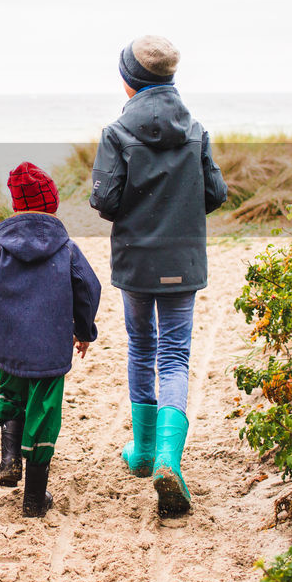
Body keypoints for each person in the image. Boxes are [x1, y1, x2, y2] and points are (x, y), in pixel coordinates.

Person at [89, 36, 228, 517]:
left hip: (136, 258)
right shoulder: (195, 130)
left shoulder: (116, 132)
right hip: (183, 259)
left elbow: (104, 202)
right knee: (174, 353)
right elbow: (215, 193)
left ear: (130, 79)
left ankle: (145, 452)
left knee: (142, 346)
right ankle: (169, 459)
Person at [0, 162, 101, 518]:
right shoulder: (67, 248)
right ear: (52, 204)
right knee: (44, 413)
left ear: (15, 205)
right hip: (51, 349)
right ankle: (34, 499)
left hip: (9, 344)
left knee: (10, 395)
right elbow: (88, 289)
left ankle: (9, 459)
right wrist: (85, 331)